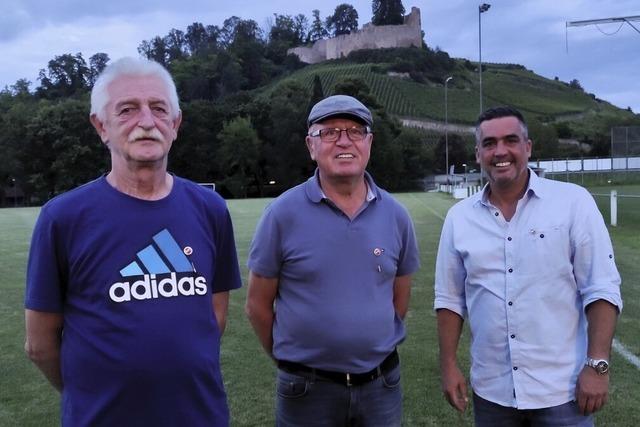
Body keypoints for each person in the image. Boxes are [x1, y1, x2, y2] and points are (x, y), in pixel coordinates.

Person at [24, 57, 242, 426]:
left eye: (159, 109)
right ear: (101, 126)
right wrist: (89, 389)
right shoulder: (63, 218)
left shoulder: (210, 209)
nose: (146, 122)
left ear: (175, 124)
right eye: (127, 109)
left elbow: (213, 317)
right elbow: (40, 344)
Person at [434, 106, 623, 426]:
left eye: (511, 140)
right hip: (492, 394)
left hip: (562, 392)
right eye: (490, 143)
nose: (501, 151)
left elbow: (601, 287)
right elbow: (450, 300)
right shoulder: (459, 218)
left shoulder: (573, 203)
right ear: (478, 153)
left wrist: (598, 364)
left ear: (528, 147)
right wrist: (449, 364)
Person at [245, 94, 420, 426]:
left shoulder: (396, 216)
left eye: (355, 130)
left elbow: (399, 299)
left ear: (370, 142)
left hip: (381, 385)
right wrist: (294, 362)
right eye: (329, 132)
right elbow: (257, 305)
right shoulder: (281, 214)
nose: (344, 140)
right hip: (306, 390)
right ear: (311, 145)